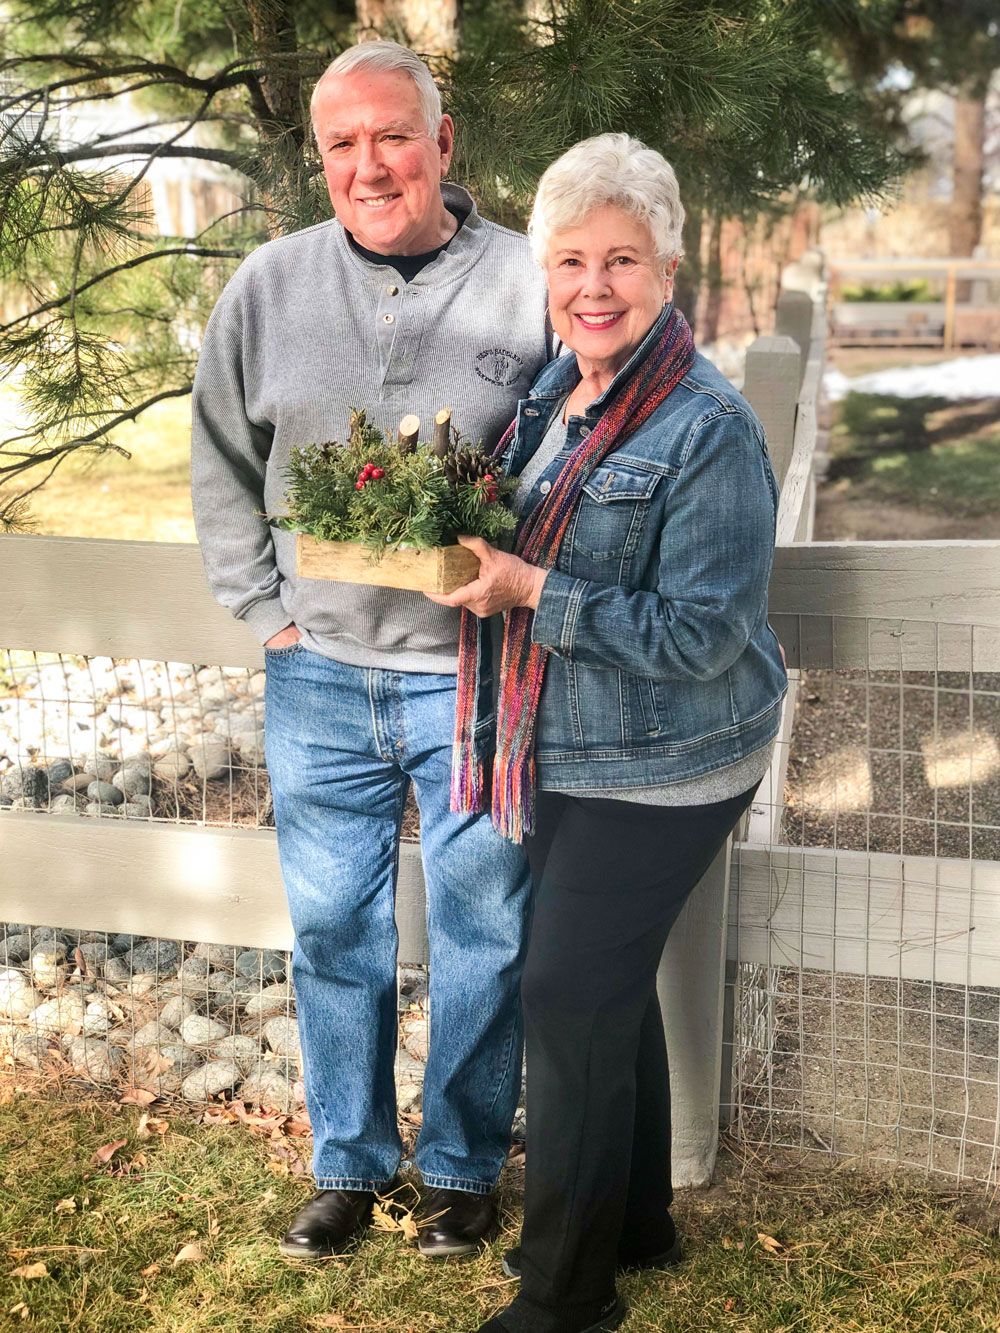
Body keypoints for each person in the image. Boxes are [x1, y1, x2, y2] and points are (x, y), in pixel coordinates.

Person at [191, 40, 550, 1260]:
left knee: (482, 934)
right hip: (319, 676)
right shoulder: (269, 285)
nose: (368, 165)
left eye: (392, 135)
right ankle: (347, 1164)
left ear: (443, 142)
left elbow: (580, 456)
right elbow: (220, 459)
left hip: (474, 678)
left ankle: (459, 1170)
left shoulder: (528, 281)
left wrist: (530, 599)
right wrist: (267, 613)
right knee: (333, 932)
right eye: (340, 143)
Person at [429, 134, 788, 1332]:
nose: (594, 286)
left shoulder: (707, 426)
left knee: (568, 991)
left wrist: (530, 591)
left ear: (668, 271)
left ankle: (564, 1295)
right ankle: (636, 1223)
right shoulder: (558, 390)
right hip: (566, 740)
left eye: (622, 260)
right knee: (601, 985)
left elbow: (705, 635)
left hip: (672, 754)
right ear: (545, 273)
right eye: (571, 261)